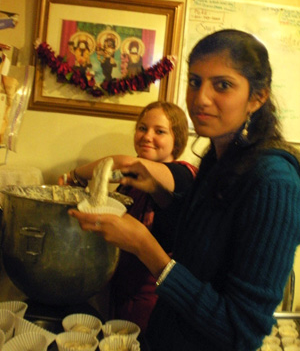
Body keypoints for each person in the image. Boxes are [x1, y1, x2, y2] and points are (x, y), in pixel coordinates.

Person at [68, 29, 300, 350]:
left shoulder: (274, 181)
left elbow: (240, 331)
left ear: (257, 97)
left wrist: (144, 247)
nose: (200, 98)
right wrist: (163, 196)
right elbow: (202, 247)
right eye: (194, 82)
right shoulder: (217, 159)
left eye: (222, 85)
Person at [59, 101, 198, 332]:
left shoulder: (183, 175)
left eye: (160, 131)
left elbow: (125, 163)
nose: (147, 136)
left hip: (155, 302)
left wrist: (73, 175)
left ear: (178, 139)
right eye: (142, 128)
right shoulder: (130, 183)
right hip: (120, 295)